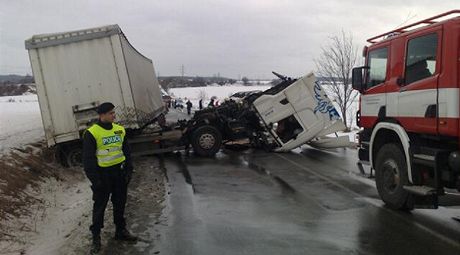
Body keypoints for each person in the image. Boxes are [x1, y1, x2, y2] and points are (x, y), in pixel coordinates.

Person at [83, 102, 137, 254]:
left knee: (120, 203)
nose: (114, 115)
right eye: (111, 113)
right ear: (102, 115)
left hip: (119, 174)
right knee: (100, 207)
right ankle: (96, 238)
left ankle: (120, 231)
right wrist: (96, 181)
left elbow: (127, 152)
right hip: (102, 175)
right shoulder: (92, 133)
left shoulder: (120, 130)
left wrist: (129, 170)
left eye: (114, 112)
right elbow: (88, 160)